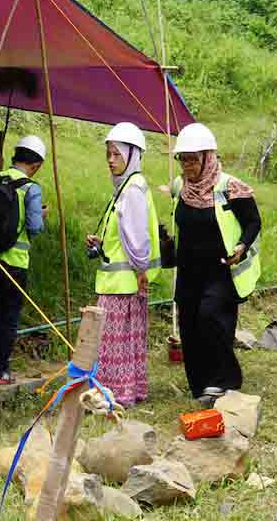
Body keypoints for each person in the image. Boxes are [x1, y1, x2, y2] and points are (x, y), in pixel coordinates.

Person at [170, 123, 261, 407]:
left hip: (220, 270)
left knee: (212, 317)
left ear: (208, 157)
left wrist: (241, 246)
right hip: (188, 271)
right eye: (182, 159)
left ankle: (225, 379)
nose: (187, 166)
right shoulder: (181, 187)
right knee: (189, 324)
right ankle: (200, 384)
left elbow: (253, 222)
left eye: (193, 159)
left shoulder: (229, 187)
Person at [86, 122, 162, 408]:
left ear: (133, 155)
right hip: (121, 281)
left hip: (122, 284)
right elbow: (124, 234)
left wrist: (141, 270)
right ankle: (128, 390)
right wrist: (102, 242)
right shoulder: (126, 187)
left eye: (117, 154)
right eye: (108, 153)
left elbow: (137, 237)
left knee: (114, 343)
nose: (110, 160)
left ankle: (115, 393)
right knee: (125, 342)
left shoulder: (132, 190)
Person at [0, 136, 47, 385]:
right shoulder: (30, 188)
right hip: (14, 261)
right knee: (10, 314)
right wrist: (41, 216)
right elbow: (34, 227)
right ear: (36, 164)